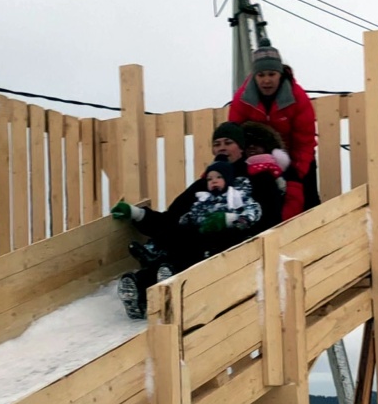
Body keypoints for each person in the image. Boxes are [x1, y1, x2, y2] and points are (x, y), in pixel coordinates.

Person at [110, 123, 263, 318]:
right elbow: (171, 218)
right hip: (195, 240)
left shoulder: (255, 180)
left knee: (192, 250)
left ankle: (169, 279)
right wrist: (137, 214)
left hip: (233, 246)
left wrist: (229, 220)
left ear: (241, 148)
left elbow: (263, 216)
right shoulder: (202, 186)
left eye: (228, 142)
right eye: (217, 144)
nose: (221, 148)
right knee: (180, 236)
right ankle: (139, 287)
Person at [229, 45, 321, 213]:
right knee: (267, 204)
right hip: (258, 157)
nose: (266, 80)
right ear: (254, 76)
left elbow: (305, 140)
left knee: (307, 202)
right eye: (261, 75)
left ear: (280, 74)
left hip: (295, 156)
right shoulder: (243, 99)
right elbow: (235, 135)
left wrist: (296, 172)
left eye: (271, 74)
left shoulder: (297, 98)